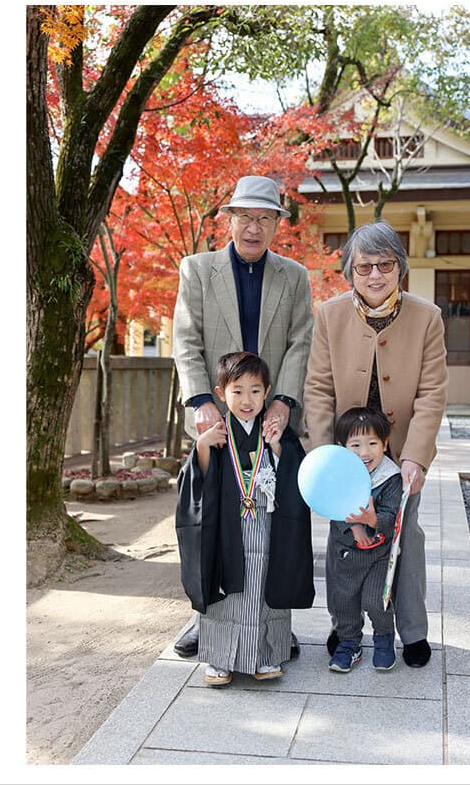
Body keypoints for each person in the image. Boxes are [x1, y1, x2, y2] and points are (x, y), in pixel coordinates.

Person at [171, 174, 314, 659]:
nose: (254, 227)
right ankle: (205, 618)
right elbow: (186, 339)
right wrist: (200, 402)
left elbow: (300, 343)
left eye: (264, 218)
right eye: (245, 217)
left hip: (272, 416)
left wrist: (283, 400)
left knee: (276, 520)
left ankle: (272, 623)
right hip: (218, 414)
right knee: (210, 518)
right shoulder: (198, 269)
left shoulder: (293, 276)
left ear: (278, 223)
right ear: (229, 219)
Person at [304, 220, 448, 668]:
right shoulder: (330, 315)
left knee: (405, 538)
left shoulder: (427, 317)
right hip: (347, 455)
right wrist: (323, 459)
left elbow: (431, 392)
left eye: (385, 264)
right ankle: (343, 626)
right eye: (364, 266)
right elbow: (318, 388)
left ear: (399, 268)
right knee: (344, 538)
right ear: (350, 271)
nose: (375, 275)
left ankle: (413, 632)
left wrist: (416, 457)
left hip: (400, 452)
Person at [174, 352, 314, 685]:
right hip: (227, 530)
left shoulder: (276, 430)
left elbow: (298, 473)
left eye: (255, 391)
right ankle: (220, 660)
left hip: (267, 527)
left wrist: (280, 448)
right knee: (229, 596)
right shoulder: (217, 433)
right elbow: (193, 482)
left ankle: (265, 656)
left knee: (265, 588)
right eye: (237, 391)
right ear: (221, 393)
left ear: (267, 392)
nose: (247, 400)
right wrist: (204, 448)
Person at [326, 407, 403, 673]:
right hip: (347, 552)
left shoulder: (391, 477)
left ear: (385, 444)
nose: (364, 452)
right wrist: (355, 530)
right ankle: (349, 643)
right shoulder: (337, 474)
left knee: (374, 599)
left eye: (373, 443)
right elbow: (334, 509)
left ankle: (383, 639)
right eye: (355, 445)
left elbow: (391, 516)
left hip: (378, 554)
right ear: (342, 447)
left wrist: (372, 521)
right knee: (343, 602)